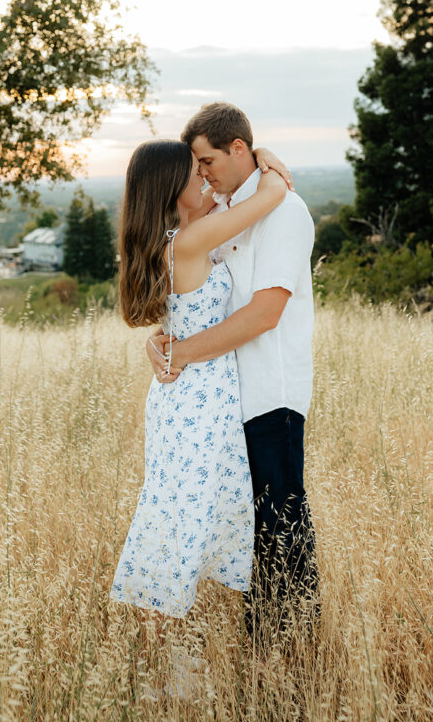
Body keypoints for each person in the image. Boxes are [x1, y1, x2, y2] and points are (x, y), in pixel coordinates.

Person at [146, 103, 320, 646]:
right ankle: (261, 653)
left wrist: (184, 354)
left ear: (238, 149)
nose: (202, 173)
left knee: (281, 528)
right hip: (226, 403)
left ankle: (291, 655)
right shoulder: (225, 213)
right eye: (196, 165)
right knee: (253, 535)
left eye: (207, 160)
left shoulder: (283, 212)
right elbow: (196, 295)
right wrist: (164, 339)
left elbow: (265, 313)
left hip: (271, 394)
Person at [110, 139, 288, 628]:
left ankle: (188, 639)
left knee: (194, 509)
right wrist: (268, 160)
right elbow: (269, 195)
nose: (204, 179)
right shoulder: (188, 243)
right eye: (194, 174)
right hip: (198, 397)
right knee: (185, 516)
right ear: (173, 188)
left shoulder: (174, 237)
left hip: (189, 394)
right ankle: (172, 648)